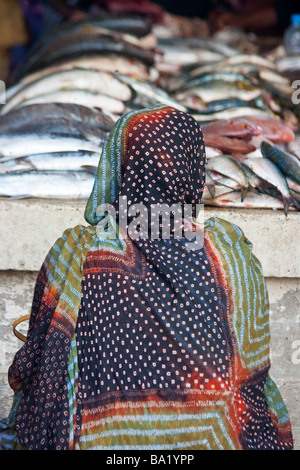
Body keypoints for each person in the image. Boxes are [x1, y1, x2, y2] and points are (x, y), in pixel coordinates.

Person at [0, 105, 293, 450]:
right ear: (192, 169)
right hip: (227, 436)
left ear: (120, 166)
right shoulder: (229, 250)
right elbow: (252, 370)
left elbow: (34, 364)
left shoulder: (78, 251)